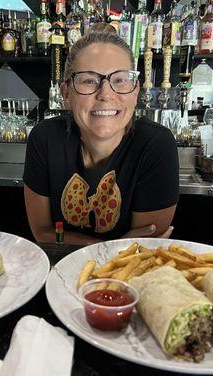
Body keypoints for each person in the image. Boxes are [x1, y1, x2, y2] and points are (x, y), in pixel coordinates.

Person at [23, 23, 179, 245]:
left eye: (120, 80)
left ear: (135, 92)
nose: (105, 94)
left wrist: (73, 241)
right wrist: (109, 247)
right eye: (88, 80)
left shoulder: (155, 145)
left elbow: (144, 250)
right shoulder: (45, 138)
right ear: (66, 94)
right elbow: (42, 232)